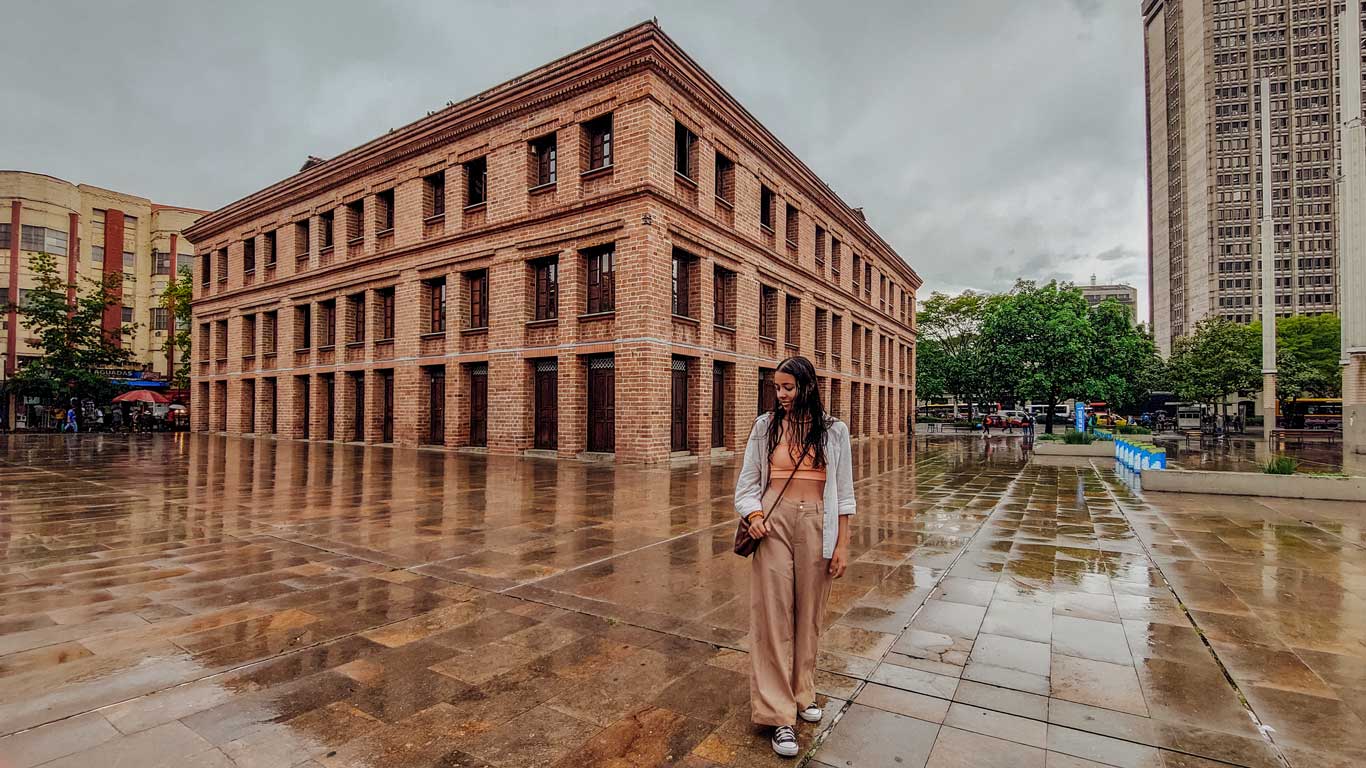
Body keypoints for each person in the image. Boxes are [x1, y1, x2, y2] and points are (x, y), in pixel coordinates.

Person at [734, 356, 855, 758]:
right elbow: (748, 483)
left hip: (818, 524)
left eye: (788, 387)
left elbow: (846, 494)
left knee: (810, 615)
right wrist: (752, 515)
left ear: (807, 386)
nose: (782, 395)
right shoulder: (765, 428)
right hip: (773, 523)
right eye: (777, 387)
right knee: (771, 616)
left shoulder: (835, 431)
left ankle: (803, 693)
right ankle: (778, 715)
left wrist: (842, 544)